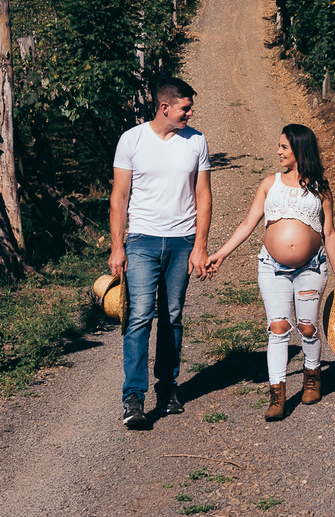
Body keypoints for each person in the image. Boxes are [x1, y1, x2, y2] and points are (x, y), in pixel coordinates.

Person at [206, 123, 335, 421]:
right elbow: (248, 224)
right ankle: (277, 394)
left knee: (308, 327)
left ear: (300, 149)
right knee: (278, 328)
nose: (279, 151)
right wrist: (220, 254)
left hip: (311, 267)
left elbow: (330, 232)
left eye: (284, 146)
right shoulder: (269, 184)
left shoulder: (321, 188)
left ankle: (312, 375)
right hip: (272, 268)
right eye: (279, 146)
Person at [109, 77, 212, 429]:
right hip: (141, 241)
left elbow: (204, 196)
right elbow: (119, 198)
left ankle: (167, 388)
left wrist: (200, 246)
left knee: (172, 315)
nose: (190, 112)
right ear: (164, 107)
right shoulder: (132, 140)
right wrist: (117, 246)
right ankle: (133, 398)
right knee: (138, 316)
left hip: (182, 241)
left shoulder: (196, 141)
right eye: (185, 107)